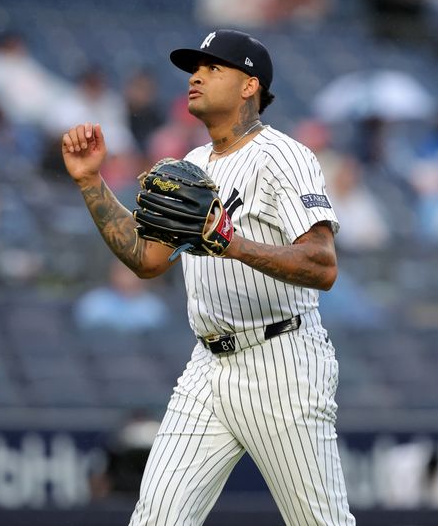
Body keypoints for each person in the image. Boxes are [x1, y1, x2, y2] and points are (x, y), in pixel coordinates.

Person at [62, 29, 355, 525]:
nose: (196, 76)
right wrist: (92, 181)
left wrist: (231, 242)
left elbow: (323, 265)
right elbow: (148, 260)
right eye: (195, 67)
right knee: (155, 519)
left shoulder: (284, 157)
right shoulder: (190, 166)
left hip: (281, 362)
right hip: (208, 366)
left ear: (250, 86)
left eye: (214, 67)